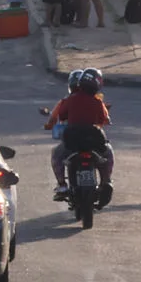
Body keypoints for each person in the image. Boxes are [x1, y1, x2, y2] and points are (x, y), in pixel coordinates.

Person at [43, 67, 113, 203]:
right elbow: (103, 120)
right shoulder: (98, 102)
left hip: (72, 138)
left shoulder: (68, 101)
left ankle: (62, 185)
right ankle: (106, 181)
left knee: (56, 154)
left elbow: (62, 116)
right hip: (94, 138)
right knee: (108, 152)